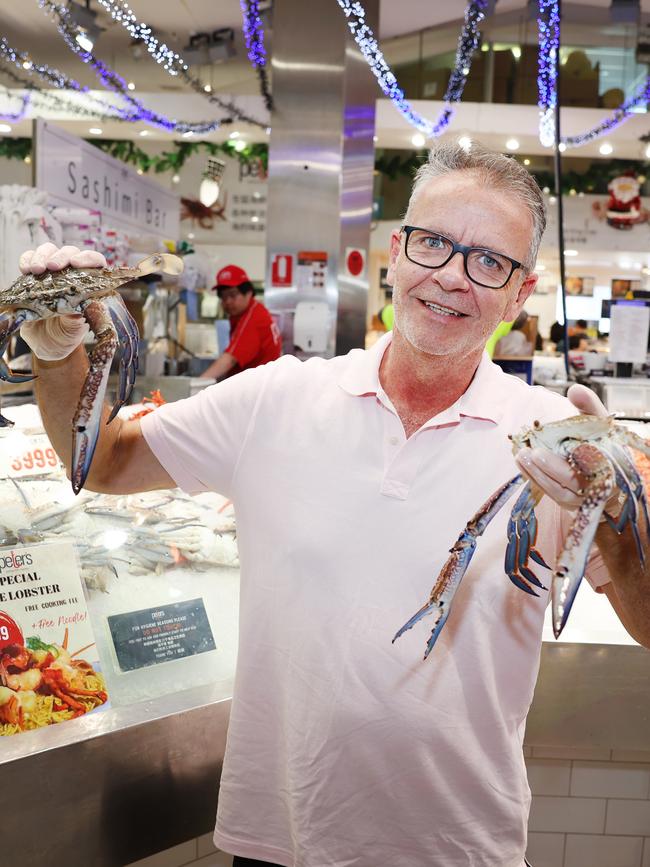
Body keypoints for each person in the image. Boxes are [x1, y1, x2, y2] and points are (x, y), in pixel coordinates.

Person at [17, 143, 650, 867]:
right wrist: (58, 351)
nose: (450, 276)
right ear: (397, 253)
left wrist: (623, 527)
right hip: (279, 837)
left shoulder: (555, 442)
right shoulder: (279, 400)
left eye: (488, 261)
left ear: (520, 292)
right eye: (433, 243)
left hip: (458, 846)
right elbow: (100, 458)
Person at [200, 264, 281, 380]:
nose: (227, 302)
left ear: (248, 293)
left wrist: (197, 384)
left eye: (232, 295)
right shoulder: (248, 312)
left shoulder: (253, 317)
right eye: (223, 297)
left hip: (257, 388)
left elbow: (230, 359)